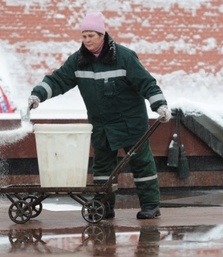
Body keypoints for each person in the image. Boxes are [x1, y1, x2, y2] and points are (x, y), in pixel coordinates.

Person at [28, 11, 171, 219]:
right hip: (101, 125)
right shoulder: (78, 61)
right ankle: (105, 207)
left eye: (91, 36)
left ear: (102, 35)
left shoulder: (124, 57)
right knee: (103, 168)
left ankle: (150, 206)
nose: (87, 41)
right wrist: (37, 95)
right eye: (84, 36)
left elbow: (146, 83)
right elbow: (58, 80)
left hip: (130, 122)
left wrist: (160, 105)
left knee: (142, 164)